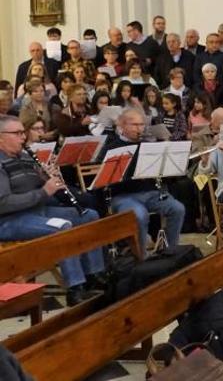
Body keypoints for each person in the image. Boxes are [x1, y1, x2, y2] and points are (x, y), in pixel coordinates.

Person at [0, 114, 105, 305]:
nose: (23, 137)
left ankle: (94, 274)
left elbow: (41, 188)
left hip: (37, 212)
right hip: (10, 220)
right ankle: (75, 288)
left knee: (90, 215)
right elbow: (4, 203)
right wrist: (43, 191)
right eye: (17, 133)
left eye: (23, 132)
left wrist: (48, 177)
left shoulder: (24, 157)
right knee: (62, 227)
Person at [103, 108, 186, 255]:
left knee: (177, 208)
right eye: (134, 125)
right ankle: (141, 257)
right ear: (122, 126)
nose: (139, 128)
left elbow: (166, 175)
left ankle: (170, 252)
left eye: (141, 125)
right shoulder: (111, 147)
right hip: (123, 196)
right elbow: (108, 180)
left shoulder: (147, 146)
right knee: (140, 215)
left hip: (151, 192)